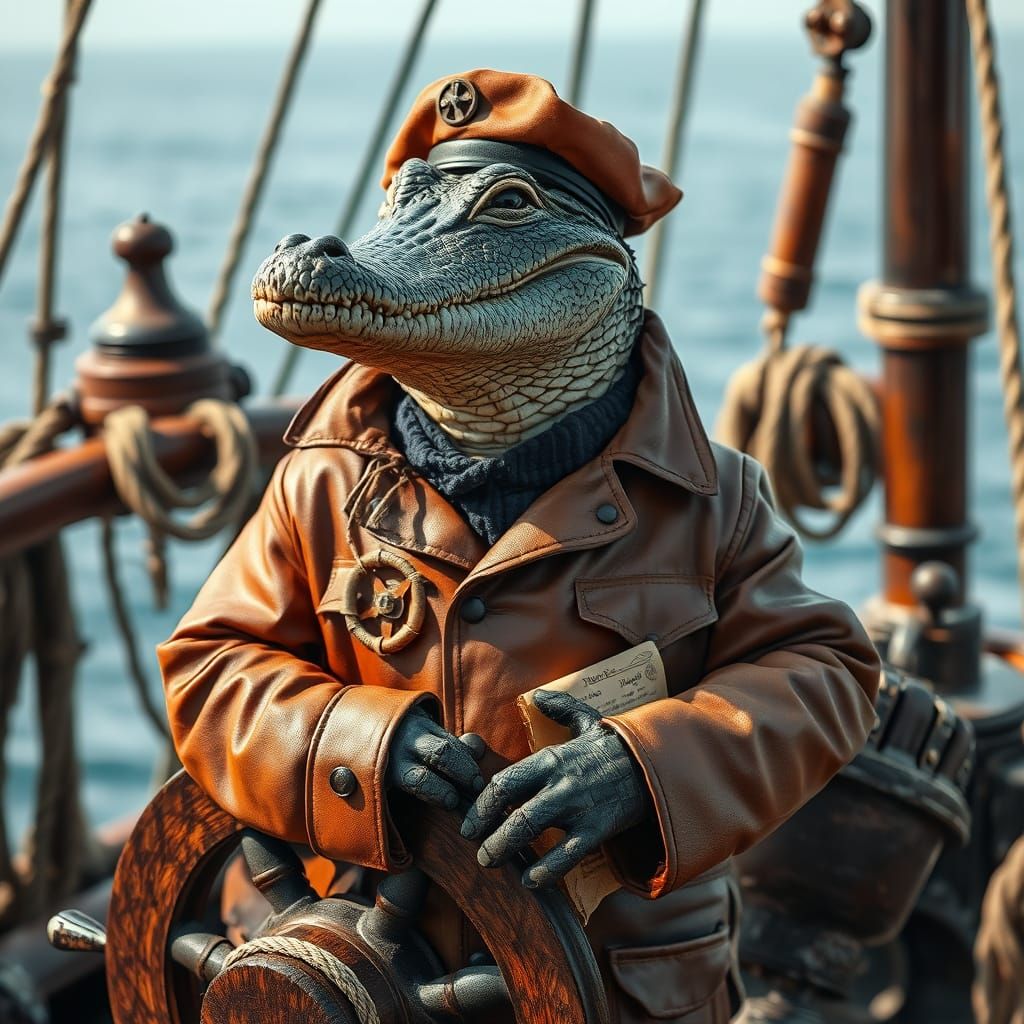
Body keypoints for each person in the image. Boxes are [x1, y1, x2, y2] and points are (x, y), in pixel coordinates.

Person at [158, 69, 880, 1023]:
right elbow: (210, 672)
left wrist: (645, 767)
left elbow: (827, 673)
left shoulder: (715, 497)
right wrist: (359, 744)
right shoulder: (322, 483)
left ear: (606, 266)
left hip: (620, 989)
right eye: (411, 204)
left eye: (499, 207)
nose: (403, 243)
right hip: (361, 976)